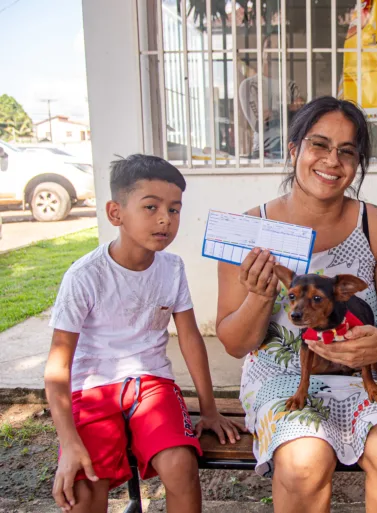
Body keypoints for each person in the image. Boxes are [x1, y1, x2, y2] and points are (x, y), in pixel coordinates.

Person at [216, 96, 377, 513]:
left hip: (364, 370)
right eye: (319, 145)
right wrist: (261, 296)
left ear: (358, 163)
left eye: (347, 151)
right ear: (294, 149)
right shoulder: (250, 228)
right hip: (282, 375)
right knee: (303, 462)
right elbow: (235, 344)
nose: (332, 161)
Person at [44, 155, 244, 513]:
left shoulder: (172, 268)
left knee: (182, 467)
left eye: (175, 209)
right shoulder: (85, 275)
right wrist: (69, 442)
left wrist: (209, 410)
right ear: (115, 213)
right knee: (84, 490)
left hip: (152, 386)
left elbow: (190, 340)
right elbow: (58, 368)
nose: (166, 218)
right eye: (151, 207)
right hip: (92, 390)